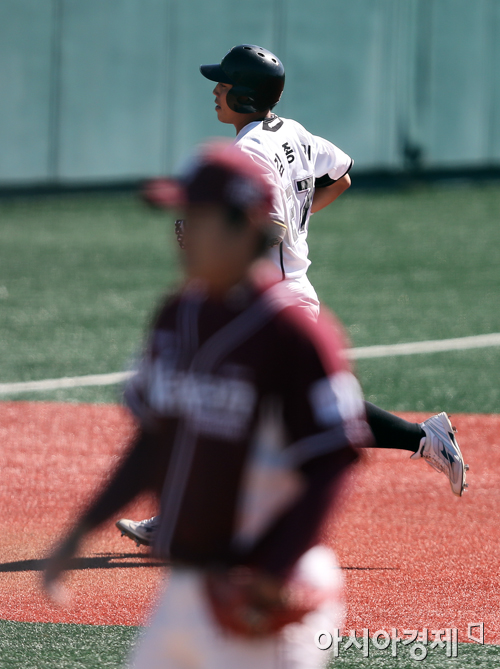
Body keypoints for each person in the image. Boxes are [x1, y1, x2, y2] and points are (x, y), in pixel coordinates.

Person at [116, 44, 467, 548]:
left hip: (271, 303)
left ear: (244, 94)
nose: (215, 91)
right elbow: (341, 176)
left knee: (228, 405)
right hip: (285, 291)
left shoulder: (249, 152)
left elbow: (271, 227)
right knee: (271, 411)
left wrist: (212, 237)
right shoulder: (291, 132)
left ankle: (190, 517)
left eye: (223, 84)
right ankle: (425, 439)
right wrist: (295, 220)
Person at [44, 143, 371, 669]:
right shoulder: (177, 315)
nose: (182, 233)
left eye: (196, 217)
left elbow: (332, 460)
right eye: (181, 218)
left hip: (264, 591)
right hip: (186, 588)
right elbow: (152, 440)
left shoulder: (293, 334)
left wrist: (272, 574)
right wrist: (81, 530)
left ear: (244, 226)